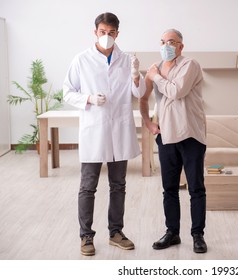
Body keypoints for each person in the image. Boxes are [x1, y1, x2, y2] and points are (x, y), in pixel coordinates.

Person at [63, 12, 145, 256]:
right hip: (94, 129)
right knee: (88, 186)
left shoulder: (127, 60)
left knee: (118, 185)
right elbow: (67, 93)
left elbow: (139, 94)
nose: (106, 37)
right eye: (102, 32)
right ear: (95, 32)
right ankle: (86, 236)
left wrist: (135, 76)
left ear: (117, 33)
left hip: (119, 129)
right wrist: (88, 98)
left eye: (111, 33)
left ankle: (116, 232)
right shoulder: (81, 60)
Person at [140, 29, 207, 253]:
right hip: (166, 136)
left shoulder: (190, 65)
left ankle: (198, 235)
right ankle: (172, 233)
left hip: (191, 135)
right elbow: (143, 96)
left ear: (181, 46)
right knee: (169, 188)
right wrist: (149, 123)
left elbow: (176, 91)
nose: (166, 45)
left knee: (196, 188)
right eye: (162, 41)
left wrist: (155, 76)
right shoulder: (156, 67)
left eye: (171, 42)